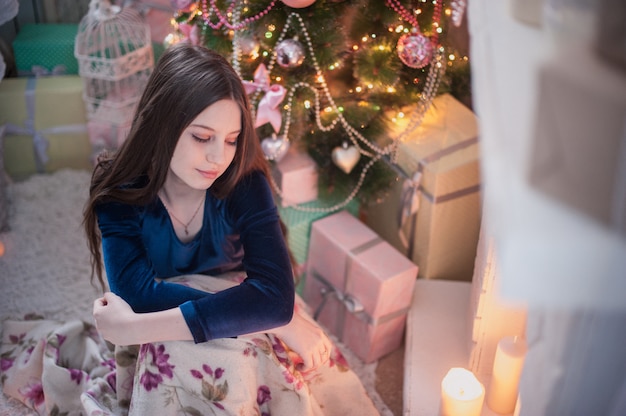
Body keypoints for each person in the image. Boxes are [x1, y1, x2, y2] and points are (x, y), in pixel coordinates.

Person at [82, 42, 379, 415]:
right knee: (190, 355)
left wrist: (279, 318)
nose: (218, 157)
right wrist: (268, 320)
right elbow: (138, 297)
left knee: (256, 364)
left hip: (224, 303)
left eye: (232, 140)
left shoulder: (243, 180)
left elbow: (274, 297)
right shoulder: (119, 192)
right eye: (202, 137)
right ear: (161, 126)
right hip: (183, 319)